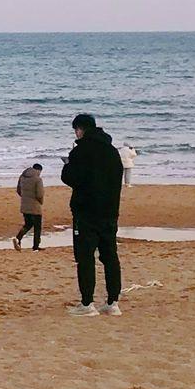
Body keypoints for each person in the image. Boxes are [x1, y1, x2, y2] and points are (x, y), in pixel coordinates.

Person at [62, 112, 124, 315]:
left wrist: (68, 165)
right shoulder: (112, 151)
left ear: (80, 129)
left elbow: (72, 178)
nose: (76, 134)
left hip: (86, 212)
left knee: (85, 257)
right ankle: (113, 302)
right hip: (109, 211)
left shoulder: (81, 151)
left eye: (76, 130)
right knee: (110, 256)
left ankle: (87, 304)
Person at [14, 164, 45, 250]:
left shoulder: (22, 176)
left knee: (28, 224)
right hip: (35, 206)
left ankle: (18, 238)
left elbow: (18, 190)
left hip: (24, 205)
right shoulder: (38, 179)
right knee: (37, 226)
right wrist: (41, 201)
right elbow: (40, 194)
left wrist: (25, 197)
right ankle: (36, 246)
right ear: (38, 170)